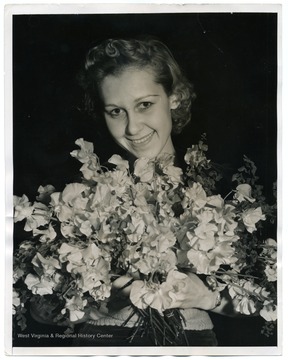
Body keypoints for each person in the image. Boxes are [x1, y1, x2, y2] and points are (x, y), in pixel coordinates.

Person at [31, 37, 241, 347]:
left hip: (191, 345)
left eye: (144, 104)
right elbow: (39, 307)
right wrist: (92, 296)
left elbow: (270, 299)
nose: (132, 127)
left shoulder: (222, 191)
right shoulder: (80, 195)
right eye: (116, 111)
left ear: (175, 97)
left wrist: (208, 297)